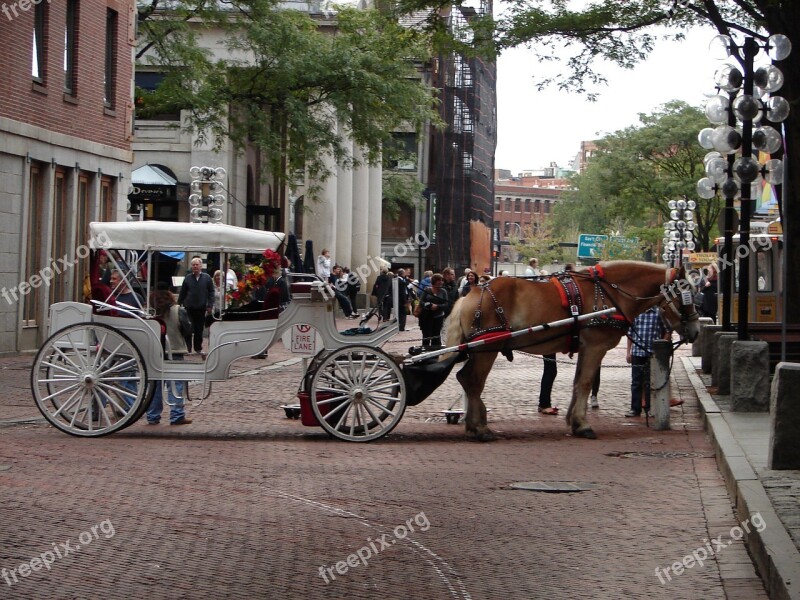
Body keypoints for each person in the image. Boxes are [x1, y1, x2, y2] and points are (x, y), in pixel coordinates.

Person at [146, 287, 192, 425]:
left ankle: (153, 415)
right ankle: (177, 415)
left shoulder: (150, 312)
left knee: (155, 386)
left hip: (156, 352)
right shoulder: (178, 310)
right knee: (176, 385)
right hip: (175, 350)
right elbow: (187, 329)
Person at [625, 306, 671, 417]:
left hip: (652, 353)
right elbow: (630, 334)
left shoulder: (659, 313)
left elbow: (668, 330)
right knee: (636, 382)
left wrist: (661, 346)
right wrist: (628, 352)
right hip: (637, 352)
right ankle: (635, 409)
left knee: (650, 382)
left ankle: (650, 408)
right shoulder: (637, 313)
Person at [178, 256, 215, 358]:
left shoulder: (207, 278)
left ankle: (198, 348)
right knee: (188, 328)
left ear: (201, 266)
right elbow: (183, 292)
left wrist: (210, 305)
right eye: (193, 265)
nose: (195, 267)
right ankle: (188, 348)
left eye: (197, 265)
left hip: (201, 307)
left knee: (199, 329)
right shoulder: (188, 278)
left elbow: (211, 292)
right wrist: (178, 304)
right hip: (189, 307)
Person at [418, 273, 448, 347]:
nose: (441, 282)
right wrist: (429, 305)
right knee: (426, 336)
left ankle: (436, 352)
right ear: (434, 281)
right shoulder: (427, 290)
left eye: (442, 280)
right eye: (439, 280)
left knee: (436, 336)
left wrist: (437, 306)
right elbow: (421, 302)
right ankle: (425, 352)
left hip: (438, 317)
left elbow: (446, 304)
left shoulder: (443, 291)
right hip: (427, 317)